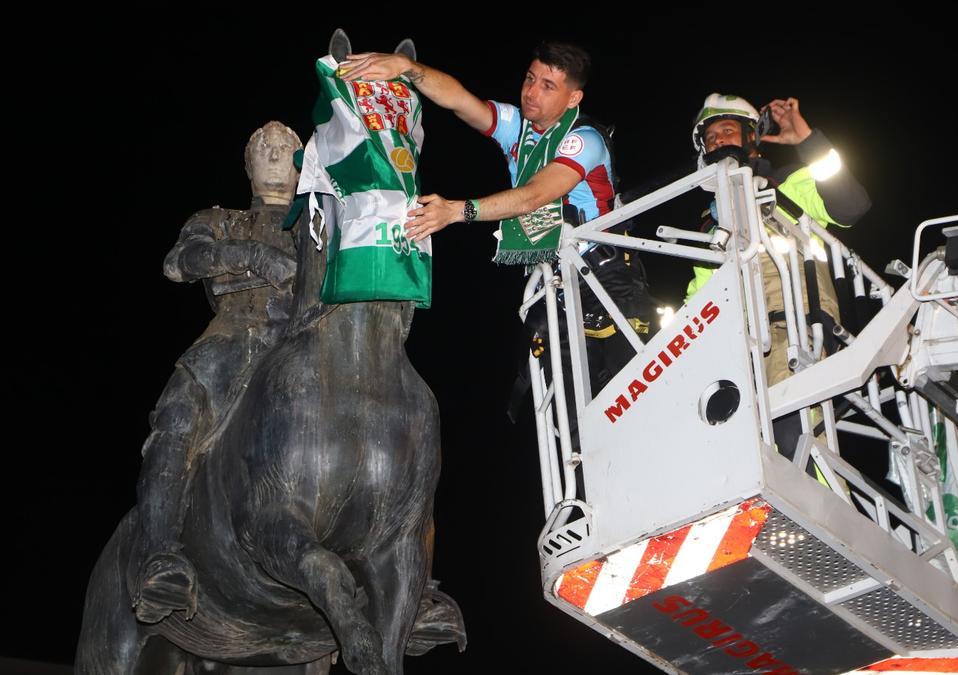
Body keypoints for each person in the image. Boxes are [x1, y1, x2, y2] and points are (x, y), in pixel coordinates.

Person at [338, 41, 656, 391]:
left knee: (632, 395)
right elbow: (460, 101)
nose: (531, 92)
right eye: (529, 79)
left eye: (547, 86)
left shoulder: (585, 139)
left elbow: (533, 196)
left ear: (573, 99)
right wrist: (407, 68)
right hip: (555, 289)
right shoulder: (518, 127)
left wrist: (456, 211)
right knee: (570, 421)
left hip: (607, 282)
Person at [133, 121, 302, 623]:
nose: (273, 153)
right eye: (263, 148)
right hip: (230, 339)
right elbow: (178, 262)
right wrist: (252, 255)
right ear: (247, 164)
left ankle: (407, 585)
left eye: (285, 148)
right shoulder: (218, 217)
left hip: (299, 345)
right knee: (177, 419)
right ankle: (160, 556)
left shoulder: (320, 224)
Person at [687, 94, 870, 456]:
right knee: (753, 452)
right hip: (741, 350)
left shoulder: (787, 185)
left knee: (793, 437)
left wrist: (806, 141)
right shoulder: (712, 225)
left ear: (752, 139)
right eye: (711, 137)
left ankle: (821, 509)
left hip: (796, 329)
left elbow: (851, 205)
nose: (719, 140)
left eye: (728, 130)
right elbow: (698, 300)